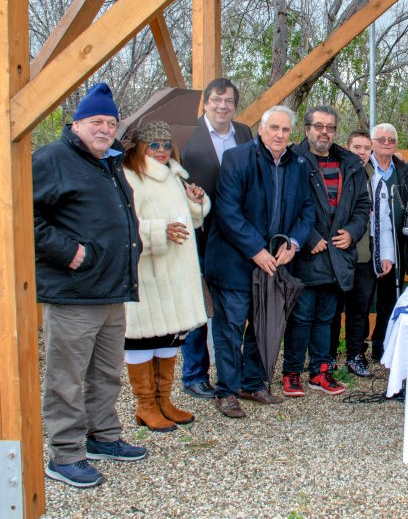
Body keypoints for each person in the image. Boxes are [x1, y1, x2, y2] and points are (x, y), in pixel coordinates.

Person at [33, 82, 146, 489]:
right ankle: (65, 455)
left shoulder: (108, 163)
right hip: (73, 292)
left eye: (111, 122)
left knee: (105, 373)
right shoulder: (52, 159)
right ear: (77, 123)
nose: (104, 128)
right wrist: (68, 252)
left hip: (111, 291)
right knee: (66, 378)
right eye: (96, 121)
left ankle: (104, 437)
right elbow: (22, 215)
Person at [205, 105, 315, 418]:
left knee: (263, 326)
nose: (280, 134)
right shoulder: (237, 158)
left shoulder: (298, 164)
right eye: (274, 128)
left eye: (285, 130)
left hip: (275, 264)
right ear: (262, 129)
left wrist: (293, 242)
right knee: (231, 328)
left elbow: (307, 210)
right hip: (235, 262)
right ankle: (226, 391)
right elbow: (228, 210)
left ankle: (252, 383)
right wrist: (256, 249)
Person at [121, 121, 210, 432]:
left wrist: (197, 201)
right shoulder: (130, 177)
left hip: (177, 270)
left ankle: (164, 400)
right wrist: (159, 231)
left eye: (165, 144)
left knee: (169, 337)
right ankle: (145, 404)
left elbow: (190, 218)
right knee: (143, 339)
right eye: (153, 145)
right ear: (140, 146)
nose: (161, 151)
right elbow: (123, 224)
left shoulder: (175, 176)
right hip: (148, 272)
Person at [284, 106, 369, 396]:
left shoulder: (350, 164)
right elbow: (287, 204)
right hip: (308, 253)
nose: (324, 132)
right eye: (318, 126)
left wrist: (353, 232)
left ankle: (320, 372)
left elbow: (362, 205)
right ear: (307, 129)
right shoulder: (294, 160)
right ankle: (292, 372)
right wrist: (308, 236)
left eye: (330, 127)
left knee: (326, 318)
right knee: (301, 316)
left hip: (337, 254)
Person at [179, 78, 252, 399]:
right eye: (216, 100)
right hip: (200, 231)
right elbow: (172, 177)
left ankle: (231, 370)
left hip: (237, 234)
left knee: (229, 308)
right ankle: (194, 373)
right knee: (198, 304)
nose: (223, 106)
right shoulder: (186, 137)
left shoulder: (245, 134)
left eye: (229, 101)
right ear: (206, 103)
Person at [329, 130, 376, 377]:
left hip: (364, 255)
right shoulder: (338, 172)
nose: (362, 152)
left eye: (366, 148)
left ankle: (355, 355)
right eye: (357, 147)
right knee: (333, 308)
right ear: (346, 148)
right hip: (339, 251)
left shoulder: (371, 174)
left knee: (360, 309)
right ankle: (328, 355)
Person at [366, 122, 408, 362]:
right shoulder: (363, 168)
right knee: (363, 298)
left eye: (391, 140)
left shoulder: (405, 170)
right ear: (372, 142)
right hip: (366, 244)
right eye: (381, 139)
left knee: (389, 298)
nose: (386, 143)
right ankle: (355, 350)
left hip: (396, 245)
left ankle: (381, 344)